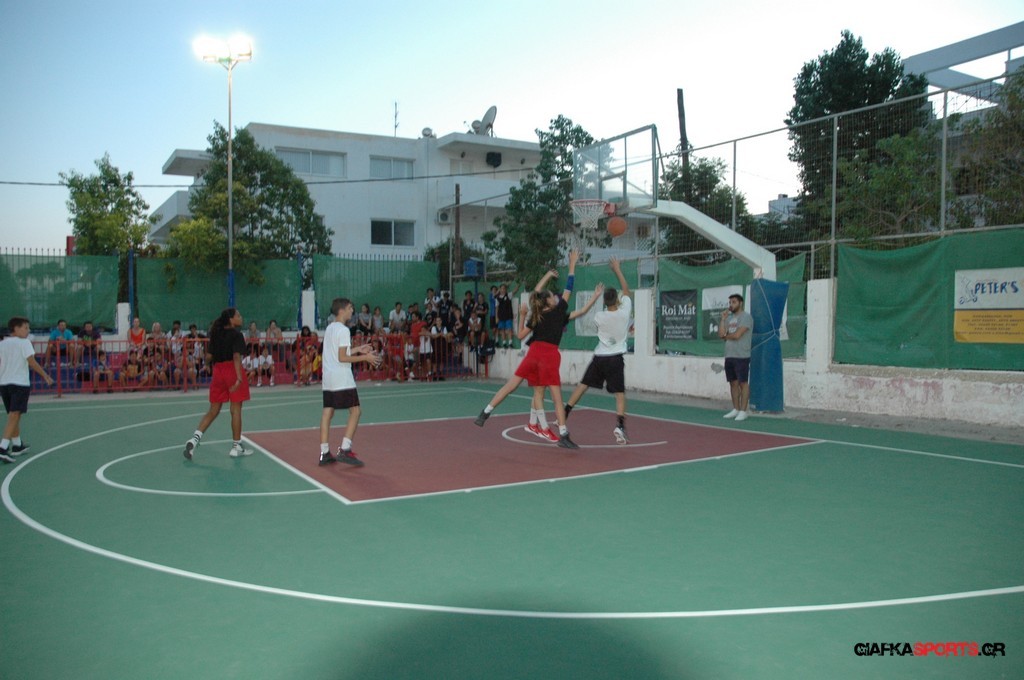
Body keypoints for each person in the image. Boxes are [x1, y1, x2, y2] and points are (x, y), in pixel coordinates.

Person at [474, 251, 600, 449]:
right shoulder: (559, 311)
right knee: (557, 397)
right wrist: (572, 265)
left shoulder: (537, 314)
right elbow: (569, 287)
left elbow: (520, 335)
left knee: (511, 385)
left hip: (533, 353)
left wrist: (522, 314)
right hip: (549, 355)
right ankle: (563, 434)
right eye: (552, 296)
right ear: (549, 301)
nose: (556, 297)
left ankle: (486, 412)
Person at [563, 258, 633, 444]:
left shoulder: (599, 316)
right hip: (615, 358)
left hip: (600, 357)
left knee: (583, 385)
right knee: (619, 394)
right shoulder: (624, 312)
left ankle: (565, 412)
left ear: (604, 301)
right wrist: (617, 269)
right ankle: (619, 426)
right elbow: (626, 290)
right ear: (617, 299)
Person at [318, 297, 381, 467]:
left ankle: (324, 452)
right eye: (350, 308)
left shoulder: (330, 328)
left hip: (328, 378)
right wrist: (365, 357)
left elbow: (337, 353)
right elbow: (342, 357)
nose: (352, 311)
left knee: (327, 413)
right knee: (355, 411)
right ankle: (345, 449)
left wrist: (358, 349)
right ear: (342, 310)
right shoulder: (344, 330)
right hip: (342, 377)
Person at [183, 308, 252, 460]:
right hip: (232, 370)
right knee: (236, 409)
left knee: (213, 410)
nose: (241, 317)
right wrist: (239, 378)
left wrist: (207, 365)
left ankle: (194, 440)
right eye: (238, 315)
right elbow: (236, 357)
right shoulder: (237, 335)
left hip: (218, 372)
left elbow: (209, 355)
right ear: (231, 319)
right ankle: (236, 446)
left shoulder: (216, 333)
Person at [1, 317, 55, 463]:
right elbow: (31, 362)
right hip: (19, 383)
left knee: (14, 414)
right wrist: (46, 376)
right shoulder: (24, 343)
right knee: (15, 414)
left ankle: (17, 445)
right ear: (16, 328)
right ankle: (3, 447)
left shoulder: (3, 343)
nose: (28, 330)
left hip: (4, 384)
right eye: (25, 328)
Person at [719, 293, 753, 422]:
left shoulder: (746, 317)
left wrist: (726, 336)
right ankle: (736, 409)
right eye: (730, 303)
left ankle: (743, 411)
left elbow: (737, 335)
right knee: (732, 383)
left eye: (734, 302)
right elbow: (721, 334)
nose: (731, 305)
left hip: (741, 355)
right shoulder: (729, 319)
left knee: (743, 383)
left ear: (740, 303)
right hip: (729, 355)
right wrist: (723, 319)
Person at [494, 282, 520, 348]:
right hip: (501, 316)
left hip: (508, 315)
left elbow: (515, 290)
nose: (503, 290)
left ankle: (510, 343)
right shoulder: (497, 298)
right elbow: (497, 308)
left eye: (504, 288)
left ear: (506, 289)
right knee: (502, 329)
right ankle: (504, 343)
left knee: (509, 329)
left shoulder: (509, 295)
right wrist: (496, 317)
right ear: (500, 289)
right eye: (502, 288)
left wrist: (518, 283)